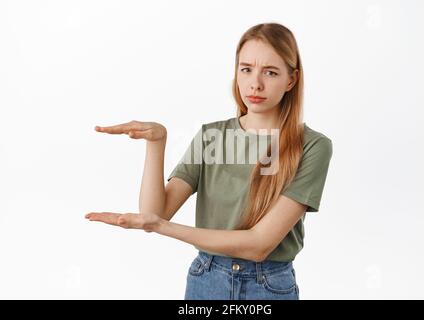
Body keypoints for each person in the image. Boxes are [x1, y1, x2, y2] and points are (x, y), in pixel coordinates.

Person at [85, 22, 333, 300]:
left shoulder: (313, 146)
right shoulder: (211, 136)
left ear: (291, 80)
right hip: (207, 279)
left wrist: (162, 228)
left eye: (271, 72)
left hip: (269, 286)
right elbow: (155, 212)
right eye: (246, 69)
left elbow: (259, 245)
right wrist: (157, 144)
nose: (255, 83)